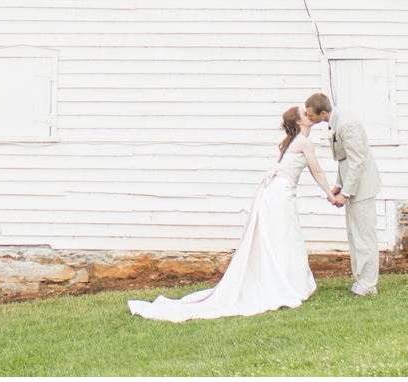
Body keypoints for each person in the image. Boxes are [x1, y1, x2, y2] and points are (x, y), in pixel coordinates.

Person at [127, 106, 337, 322]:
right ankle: (285, 285)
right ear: (299, 123)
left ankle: (290, 282)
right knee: (284, 238)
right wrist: (330, 195)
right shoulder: (303, 142)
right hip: (279, 197)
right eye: (305, 115)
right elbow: (317, 171)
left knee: (284, 238)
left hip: (277, 194)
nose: (309, 116)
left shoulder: (293, 142)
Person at [304, 92, 381, 297]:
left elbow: (357, 160)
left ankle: (368, 284)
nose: (309, 118)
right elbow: (344, 159)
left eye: (311, 115)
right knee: (354, 235)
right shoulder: (334, 122)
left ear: (322, 112)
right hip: (352, 185)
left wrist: (346, 193)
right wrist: (339, 184)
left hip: (362, 188)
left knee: (365, 236)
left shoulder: (346, 124)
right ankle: (360, 280)